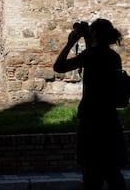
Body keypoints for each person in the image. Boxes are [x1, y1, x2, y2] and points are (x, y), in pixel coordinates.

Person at [53, 18, 128, 190]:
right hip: (109, 120)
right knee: (111, 172)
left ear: (94, 34)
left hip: (91, 122)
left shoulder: (91, 55)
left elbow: (59, 66)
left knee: (91, 174)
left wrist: (71, 42)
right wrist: (88, 39)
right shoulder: (113, 57)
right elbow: (95, 59)